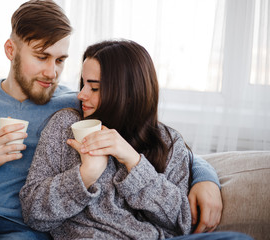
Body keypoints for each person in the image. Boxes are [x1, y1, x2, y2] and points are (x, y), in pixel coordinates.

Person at [0, 1, 221, 239]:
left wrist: (206, 178)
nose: (52, 72)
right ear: (11, 50)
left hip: (22, 228)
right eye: (42, 57)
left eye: (60, 60)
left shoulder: (77, 107)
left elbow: (147, 132)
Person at [19, 40, 252, 240]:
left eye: (95, 88)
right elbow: (33, 213)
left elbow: (181, 222)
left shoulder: (167, 141)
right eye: (83, 84)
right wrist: (85, 175)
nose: (81, 95)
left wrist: (133, 162)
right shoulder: (66, 126)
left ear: (128, 95)